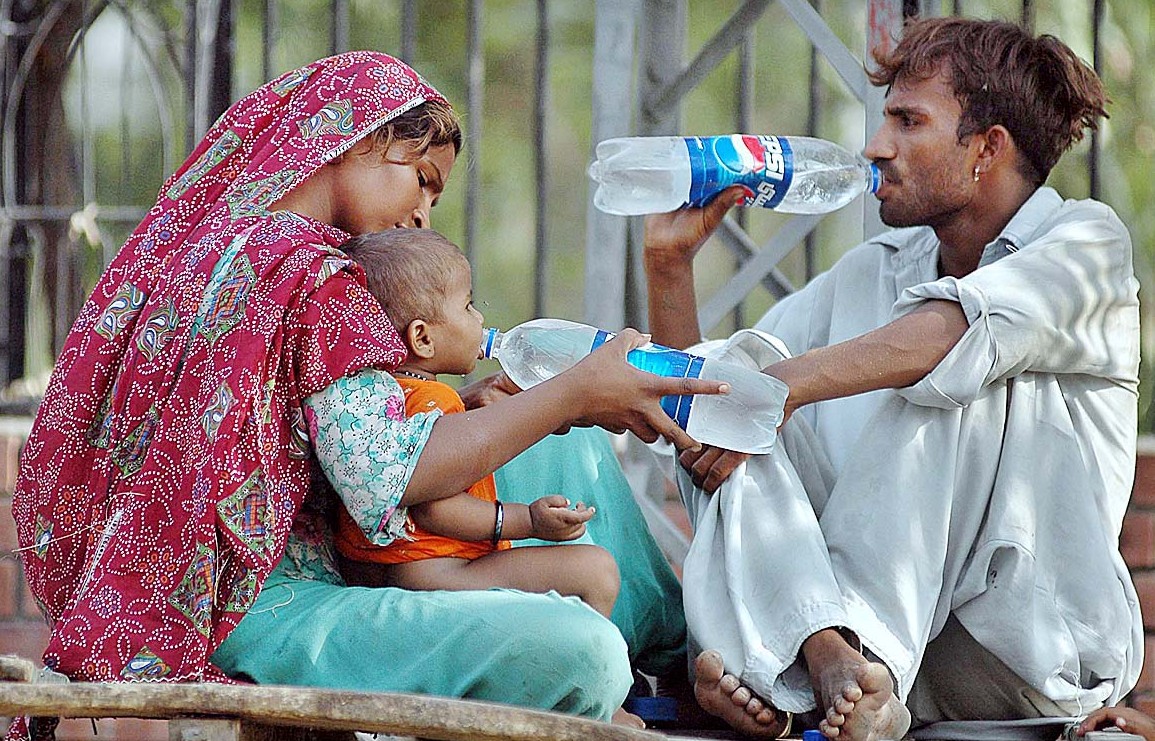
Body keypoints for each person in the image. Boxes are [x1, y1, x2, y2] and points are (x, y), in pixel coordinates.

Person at [8, 51, 724, 739]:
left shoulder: (202, 246)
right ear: (361, 138)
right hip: (259, 616)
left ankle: (679, 664)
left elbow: (321, 441)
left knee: (564, 444)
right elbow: (389, 475)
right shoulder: (316, 277)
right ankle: (687, 668)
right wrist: (570, 391)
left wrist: (485, 406)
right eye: (421, 179)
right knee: (578, 649)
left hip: (238, 591)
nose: (423, 217)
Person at [642, 16, 1141, 741]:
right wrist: (669, 268)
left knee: (953, 361)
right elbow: (706, 404)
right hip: (882, 672)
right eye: (884, 120)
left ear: (986, 149)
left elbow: (948, 336)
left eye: (908, 122)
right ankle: (824, 656)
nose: (876, 147)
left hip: (1024, 651)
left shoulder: (1086, 242)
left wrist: (782, 389)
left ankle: (819, 666)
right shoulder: (874, 268)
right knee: (736, 381)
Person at [332, 228, 620, 622]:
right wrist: (526, 520)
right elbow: (434, 509)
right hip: (438, 572)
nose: (480, 319)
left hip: (398, 569)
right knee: (595, 571)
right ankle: (587, 670)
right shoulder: (435, 401)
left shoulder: (380, 397)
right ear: (422, 338)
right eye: (468, 306)